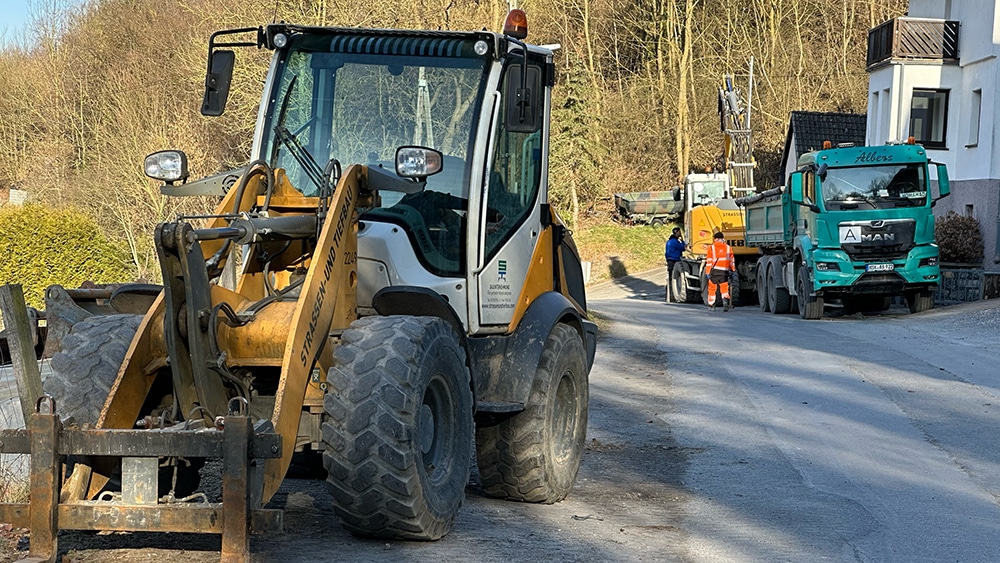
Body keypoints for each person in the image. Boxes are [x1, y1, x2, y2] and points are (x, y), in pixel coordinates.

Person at [704, 231, 736, 311]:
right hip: (724, 271)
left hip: (714, 271)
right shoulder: (728, 248)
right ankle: (725, 301)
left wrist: (707, 272)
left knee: (712, 288)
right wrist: (732, 270)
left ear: (716, 239)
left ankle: (712, 305)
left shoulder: (712, 248)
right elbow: (731, 260)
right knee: (724, 288)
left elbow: (709, 261)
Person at [664, 227, 686, 301]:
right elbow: (683, 248)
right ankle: (672, 295)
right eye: (679, 232)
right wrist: (682, 241)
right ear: (676, 233)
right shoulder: (675, 242)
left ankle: (668, 296)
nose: (680, 234)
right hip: (675, 260)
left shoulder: (669, 242)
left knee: (670, 277)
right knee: (674, 278)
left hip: (669, 260)